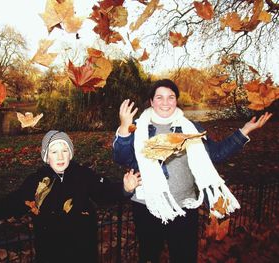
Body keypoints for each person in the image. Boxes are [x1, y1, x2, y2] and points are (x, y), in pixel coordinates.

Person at [113, 79, 272, 263]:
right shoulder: (138, 127)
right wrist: (124, 127)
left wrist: (244, 131)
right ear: (151, 101)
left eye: (171, 97)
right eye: (160, 97)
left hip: (185, 206)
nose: (165, 102)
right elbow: (121, 158)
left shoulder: (191, 127)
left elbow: (216, 154)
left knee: (184, 257)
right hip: (147, 205)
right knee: (149, 255)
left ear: (176, 101)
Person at [0, 130, 142, 263]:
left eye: (65, 150)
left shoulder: (83, 175)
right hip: (51, 252)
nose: (60, 156)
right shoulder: (37, 181)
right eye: (54, 151)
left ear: (71, 154)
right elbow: (13, 202)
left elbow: (104, 193)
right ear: (46, 156)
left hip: (83, 252)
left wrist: (124, 188)